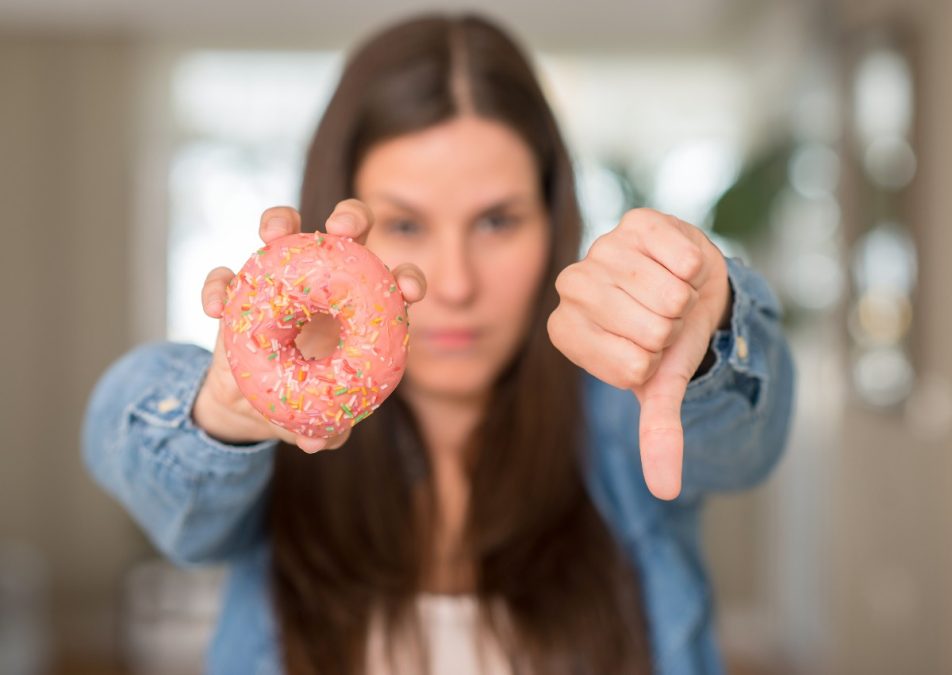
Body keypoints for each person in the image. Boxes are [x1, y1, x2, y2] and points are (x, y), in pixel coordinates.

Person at [82, 12, 795, 675]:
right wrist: (222, 416)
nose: (454, 284)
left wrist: (711, 335)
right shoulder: (281, 455)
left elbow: (750, 439)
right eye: (405, 224)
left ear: (554, 223)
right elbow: (128, 435)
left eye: (495, 222)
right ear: (345, 225)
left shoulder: (622, 416)